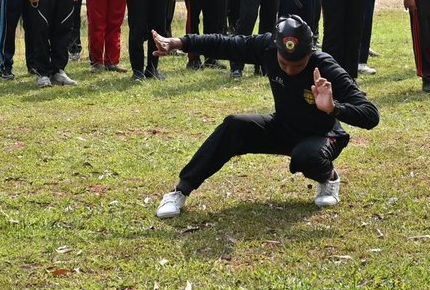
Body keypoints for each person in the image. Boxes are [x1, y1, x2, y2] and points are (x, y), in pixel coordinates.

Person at [150, 17, 378, 218]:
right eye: (283, 63)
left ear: (310, 53)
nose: (289, 70)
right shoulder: (266, 46)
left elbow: (370, 115)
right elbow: (225, 44)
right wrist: (179, 42)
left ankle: (329, 178)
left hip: (322, 135)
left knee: (306, 155)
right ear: (276, 48)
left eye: (297, 65)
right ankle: (180, 191)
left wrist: (334, 107)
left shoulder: (326, 67)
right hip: (284, 126)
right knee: (234, 125)